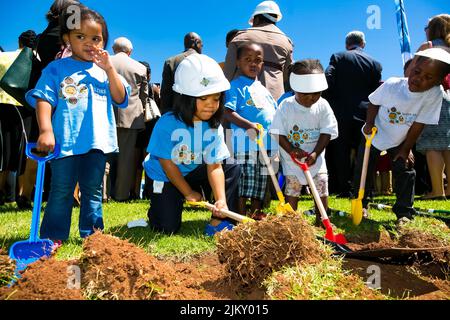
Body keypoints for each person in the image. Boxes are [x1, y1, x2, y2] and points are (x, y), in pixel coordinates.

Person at [25, 5, 130, 241]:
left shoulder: (104, 71)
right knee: (61, 191)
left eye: (96, 38)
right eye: (80, 36)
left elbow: (121, 97)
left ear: (104, 42)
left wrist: (110, 69)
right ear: (67, 38)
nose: (89, 43)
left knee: (93, 191)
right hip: (65, 142)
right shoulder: (56, 68)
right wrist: (45, 130)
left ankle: (94, 239)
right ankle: (52, 238)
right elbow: (43, 98)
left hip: (97, 144)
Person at [143, 54, 240, 235]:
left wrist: (220, 200)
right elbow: (168, 164)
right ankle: (159, 205)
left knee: (231, 166)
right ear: (185, 97)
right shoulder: (167, 123)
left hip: (193, 170)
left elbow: (215, 166)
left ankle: (219, 222)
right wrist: (187, 192)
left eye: (216, 98)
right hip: (164, 175)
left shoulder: (213, 125)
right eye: (203, 99)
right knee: (167, 228)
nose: (211, 105)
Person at [353, 47, 450, 225]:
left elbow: (419, 123)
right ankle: (361, 203)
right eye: (417, 72)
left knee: (405, 169)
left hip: (399, 139)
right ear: (412, 65)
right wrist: (369, 124)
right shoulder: (392, 85)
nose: (419, 79)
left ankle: (404, 212)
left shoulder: (434, 94)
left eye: (429, 78)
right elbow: (373, 103)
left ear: (438, 81)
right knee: (364, 169)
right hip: (374, 133)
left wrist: (406, 149)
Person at [270, 59, 338, 226]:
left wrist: (315, 153)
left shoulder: (323, 105)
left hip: (316, 157)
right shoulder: (286, 106)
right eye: (306, 94)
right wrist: (292, 149)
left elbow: (327, 131)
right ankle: (292, 222)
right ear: (295, 89)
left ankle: (322, 220)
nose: (312, 98)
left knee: (321, 186)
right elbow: (277, 132)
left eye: (316, 93)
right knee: (292, 189)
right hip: (292, 159)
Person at [323, 31, 382, 198]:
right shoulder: (375, 63)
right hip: (366, 115)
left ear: (346, 44)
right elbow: (376, 91)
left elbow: (328, 76)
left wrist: (329, 98)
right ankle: (365, 190)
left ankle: (344, 189)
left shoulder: (338, 57)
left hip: (340, 113)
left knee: (341, 152)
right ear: (363, 44)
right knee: (365, 152)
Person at [223, 42, 277, 219]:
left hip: (264, 145)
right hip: (243, 145)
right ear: (238, 62)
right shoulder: (235, 86)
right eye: (248, 59)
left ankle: (255, 213)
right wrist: (248, 125)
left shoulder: (263, 90)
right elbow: (228, 112)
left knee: (260, 184)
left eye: (258, 60)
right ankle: (240, 215)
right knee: (243, 184)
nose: (253, 64)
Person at [224, 0, 293, 102]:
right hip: (275, 101)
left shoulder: (240, 37)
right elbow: (287, 76)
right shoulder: (286, 42)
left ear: (256, 19)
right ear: (275, 20)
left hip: (242, 102)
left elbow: (227, 74)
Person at [109, 37, 148, 202]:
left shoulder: (104, 62)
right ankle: (121, 194)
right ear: (130, 51)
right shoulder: (139, 67)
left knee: (104, 156)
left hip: (105, 115)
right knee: (126, 159)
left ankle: (103, 194)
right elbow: (144, 96)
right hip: (130, 117)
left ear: (113, 48)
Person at [415, 14, 450, 200]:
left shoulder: (428, 47)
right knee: (449, 145)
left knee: (432, 145)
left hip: (434, 98)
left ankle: (437, 191)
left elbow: (412, 72)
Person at [0, 30, 36, 206]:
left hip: (2, 105)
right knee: (24, 150)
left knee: (3, 152)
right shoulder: (35, 60)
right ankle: (23, 194)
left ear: (19, 42)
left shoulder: (4, 56)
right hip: (25, 106)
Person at [159, 32, 203, 114]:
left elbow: (166, 92)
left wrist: (165, 114)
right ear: (196, 43)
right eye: (202, 45)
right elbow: (208, 84)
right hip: (200, 114)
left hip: (177, 113)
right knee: (198, 127)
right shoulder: (206, 62)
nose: (202, 48)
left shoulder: (171, 62)